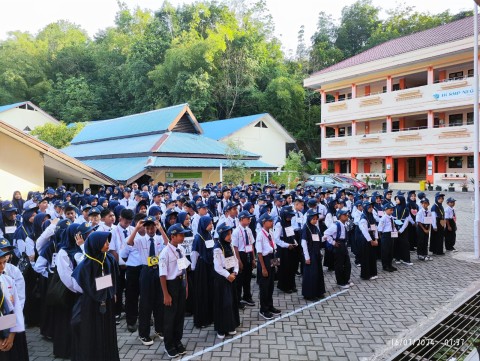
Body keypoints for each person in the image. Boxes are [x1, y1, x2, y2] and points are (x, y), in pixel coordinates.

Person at [71, 232, 120, 361]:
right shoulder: (85, 265)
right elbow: (78, 285)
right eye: (105, 242)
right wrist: (99, 291)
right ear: (96, 244)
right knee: (93, 332)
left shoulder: (108, 259)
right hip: (91, 304)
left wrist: (112, 292)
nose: (108, 244)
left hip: (107, 301)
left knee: (107, 331)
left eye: (108, 241)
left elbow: (114, 277)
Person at [126, 216, 168, 346]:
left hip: (158, 271)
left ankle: (160, 329)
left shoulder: (159, 238)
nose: (150, 230)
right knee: (145, 303)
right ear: (144, 228)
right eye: (148, 228)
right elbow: (129, 242)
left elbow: (167, 243)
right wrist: (136, 229)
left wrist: (161, 229)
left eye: (152, 227)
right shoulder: (140, 240)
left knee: (159, 301)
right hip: (146, 271)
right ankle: (143, 334)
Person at [159, 224, 189, 358]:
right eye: (181, 235)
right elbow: (162, 275)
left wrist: (186, 285)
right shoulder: (165, 253)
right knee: (170, 316)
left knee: (179, 314)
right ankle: (169, 344)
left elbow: (184, 268)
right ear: (172, 236)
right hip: (171, 285)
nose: (183, 237)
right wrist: (166, 294)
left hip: (180, 283)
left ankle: (177, 340)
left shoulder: (181, 249)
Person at [54, 223, 81, 359]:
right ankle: (66, 350)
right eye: (78, 233)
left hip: (80, 292)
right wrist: (79, 289)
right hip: (70, 292)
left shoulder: (82, 248)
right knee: (67, 322)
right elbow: (66, 277)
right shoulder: (63, 252)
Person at [0, 250, 29, 361]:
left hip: (5, 327)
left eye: (4, 263)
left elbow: (12, 308)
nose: (2, 267)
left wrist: (10, 334)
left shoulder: (7, 280)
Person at [213, 223, 240, 339]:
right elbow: (217, 266)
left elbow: (235, 259)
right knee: (223, 303)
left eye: (230, 233)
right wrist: (227, 275)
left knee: (232, 301)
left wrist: (235, 271)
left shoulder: (230, 244)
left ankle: (231, 325)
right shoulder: (217, 248)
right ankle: (221, 328)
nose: (230, 236)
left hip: (231, 276)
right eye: (227, 234)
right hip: (222, 279)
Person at [255, 213, 281, 320]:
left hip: (271, 257)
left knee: (270, 285)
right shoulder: (260, 235)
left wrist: (276, 265)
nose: (272, 222)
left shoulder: (270, 232)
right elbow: (259, 253)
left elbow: (273, 248)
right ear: (264, 222)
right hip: (264, 261)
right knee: (264, 287)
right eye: (270, 221)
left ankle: (270, 306)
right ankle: (263, 309)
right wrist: (263, 268)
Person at [191, 215, 215, 328]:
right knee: (202, 292)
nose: (211, 225)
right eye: (209, 223)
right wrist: (194, 269)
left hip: (210, 266)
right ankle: (202, 320)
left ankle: (210, 316)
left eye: (211, 223)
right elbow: (194, 254)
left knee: (210, 292)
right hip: (201, 268)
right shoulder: (198, 237)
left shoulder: (209, 235)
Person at [322, 209, 353, 289]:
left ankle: (346, 279)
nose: (347, 216)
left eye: (347, 214)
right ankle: (340, 282)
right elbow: (326, 233)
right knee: (339, 264)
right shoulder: (336, 225)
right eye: (344, 215)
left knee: (347, 264)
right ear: (340, 216)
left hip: (343, 245)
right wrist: (333, 242)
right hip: (338, 245)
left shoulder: (344, 224)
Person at [232, 211, 256, 308]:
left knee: (248, 277)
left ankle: (247, 296)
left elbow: (251, 244)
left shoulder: (249, 230)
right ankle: (238, 299)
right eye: (247, 218)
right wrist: (239, 260)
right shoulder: (236, 231)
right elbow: (235, 247)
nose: (249, 220)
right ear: (242, 219)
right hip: (241, 255)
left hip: (249, 253)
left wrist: (254, 258)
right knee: (239, 279)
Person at [301, 210, 325, 301]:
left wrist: (324, 239)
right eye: (313, 219)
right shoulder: (306, 228)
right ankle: (309, 294)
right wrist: (306, 257)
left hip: (316, 253)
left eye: (316, 219)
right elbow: (303, 243)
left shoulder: (315, 228)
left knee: (318, 273)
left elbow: (319, 239)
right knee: (311, 274)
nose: (315, 221)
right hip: (310, 254)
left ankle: (318, 292)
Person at [274, 206, 298, 294]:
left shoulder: (289, 222)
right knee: (284, 268)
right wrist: (287, 245)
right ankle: (284, 286)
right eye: (289, 216)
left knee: (291, 267)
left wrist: (294, 242)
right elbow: (276, 239)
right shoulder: (279, 224)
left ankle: (292, 285)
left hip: (291, 248)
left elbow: (291, 235)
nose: (290, 217)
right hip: (283, 250)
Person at [357, 202, 379, 280]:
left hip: (372, 238)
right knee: (366, 257)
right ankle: (366, 275)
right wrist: (371, 241)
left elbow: (375, 228)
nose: (371, 208)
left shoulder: (371, 216)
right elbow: (364, 231)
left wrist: (376, 239)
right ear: (365, 208)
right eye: (369, 207)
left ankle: (373, 273)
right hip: (366, 239)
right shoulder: (363, 218)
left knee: (372, 256)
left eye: (372, 207)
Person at [393, 195, 413, 266]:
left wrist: (401, 229)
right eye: (396, 199)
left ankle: (406, 259)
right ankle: (397, 258)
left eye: (398, 199)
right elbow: (393, 218)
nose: (396, 200)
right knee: (396, 243)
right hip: (396, 228)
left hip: (403, 229)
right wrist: (395, 228)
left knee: (405, 244)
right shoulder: (395, 208)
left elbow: (407, 220)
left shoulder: (406, 209)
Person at [377, 204, 397, 272]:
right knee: (385, 251)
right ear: (386, 210)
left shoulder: (391, 217)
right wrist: (382, 237)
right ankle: (385, 266)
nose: (392, 211)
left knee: (391, 251)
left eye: (392, 210)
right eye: (390, 210)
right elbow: (380, 229)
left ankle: (390, 264)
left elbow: (393, 226)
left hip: (391, 234)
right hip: (385, 235)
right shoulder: (383, 218)